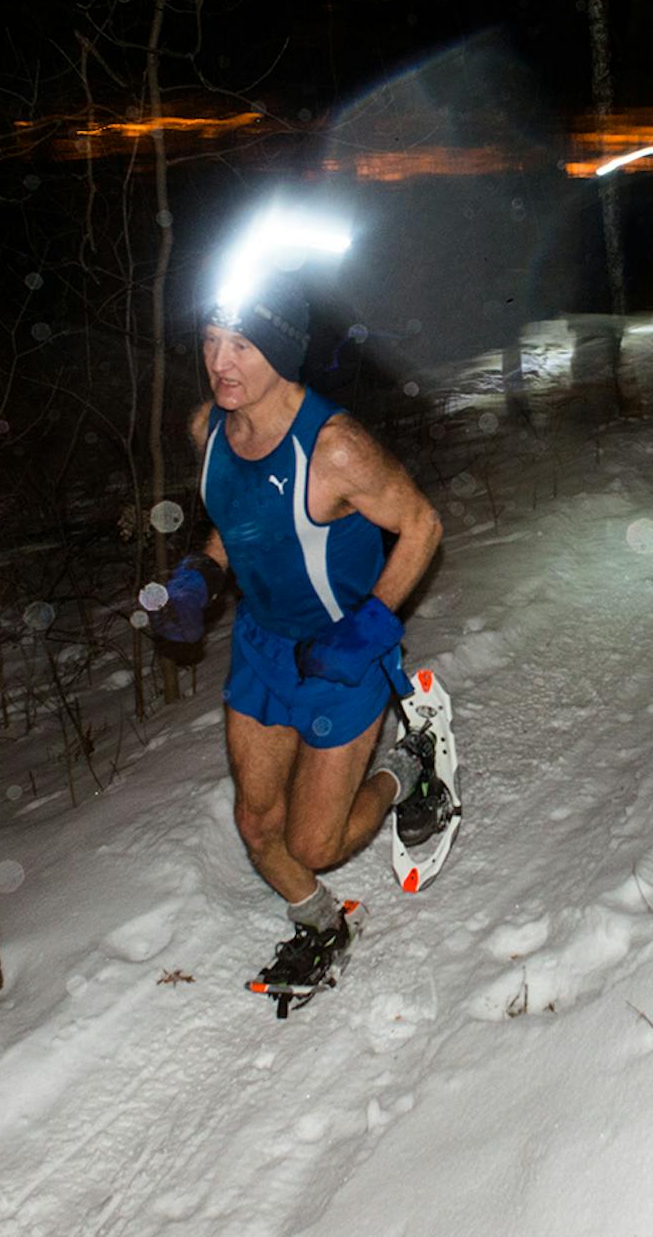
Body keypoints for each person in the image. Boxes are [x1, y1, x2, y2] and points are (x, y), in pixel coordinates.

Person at [149, 274, 447, 992]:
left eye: (242, 344)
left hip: (342, 657)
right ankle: (320, 922)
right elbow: (240, 523)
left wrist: (368, 627)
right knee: (258, 824)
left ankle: (408, 768)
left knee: (317, 842)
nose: (221, 361)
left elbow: (421, 526)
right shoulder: (209, 430)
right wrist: (201, 575)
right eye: (212, 340)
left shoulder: (334, 448)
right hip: (263, 648)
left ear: (279, 351)